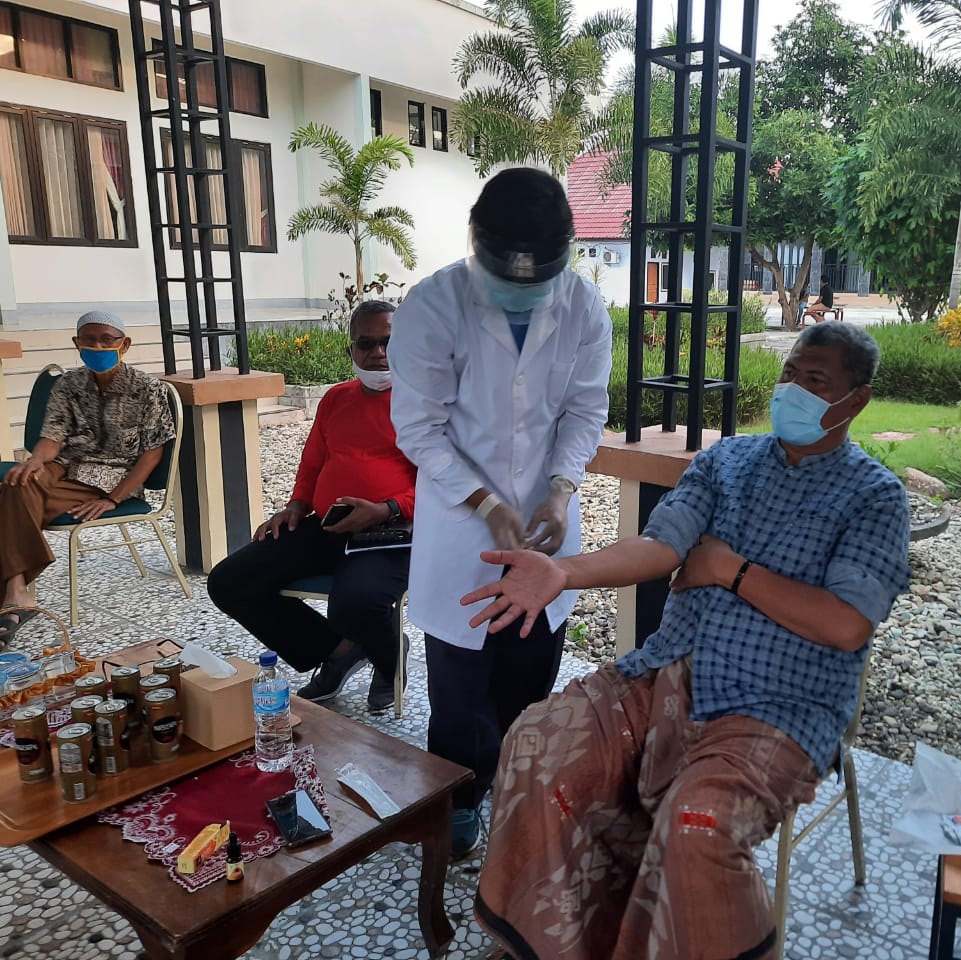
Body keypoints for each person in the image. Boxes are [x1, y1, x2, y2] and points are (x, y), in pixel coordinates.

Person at [462, 323, 912, 960]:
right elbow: (660, 545)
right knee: (538, 744)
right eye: (789, 373)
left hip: (780, 703)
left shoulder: (874, 497)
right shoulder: (726, 462)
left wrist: (729, 569)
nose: (792, 390)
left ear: (855, 400)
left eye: (815, 381)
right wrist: (565, 571)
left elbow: (846, 623)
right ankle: (562, 946)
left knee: (698, 824)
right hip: (668, 671)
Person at [389, 167, 612, 858]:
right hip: (462, 530)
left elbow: (585, 410)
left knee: (529, 674)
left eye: (539, 275)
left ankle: (515, 788)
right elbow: (419, 428)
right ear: (476, 242)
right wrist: (483, 501)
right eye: (509, 273)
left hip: (546, 528)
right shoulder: (434, 305)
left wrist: (562, 487)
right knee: (460, 689)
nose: (525, 288)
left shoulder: (583, 306)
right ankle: (458, 797)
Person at [206, 301, 414, 713]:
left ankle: (390, 658)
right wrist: (297, 504)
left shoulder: (427, 404)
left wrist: (387, 507)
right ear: (351, 349)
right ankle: (340, 651)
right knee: (229, 581)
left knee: (355, 603)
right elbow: (314, 461)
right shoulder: (336, 398)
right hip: (328, 524)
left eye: (389, 342)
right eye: (366, 343)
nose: (379, 353)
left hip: (393, 530)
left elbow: (443, 483)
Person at [0, 311, 174, 645]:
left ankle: (14, 594)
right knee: (17, 483)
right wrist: (35, 460)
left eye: (107, 339)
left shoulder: (147, 389)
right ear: (77, 343)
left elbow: (152, 454)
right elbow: (52, 436)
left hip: (110, 478)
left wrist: (114, 499)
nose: (98, 346)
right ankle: (17, 590)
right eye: (90, 340)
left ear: (125, 344)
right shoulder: (68, 385)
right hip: (65, 465)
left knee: (11, 502)